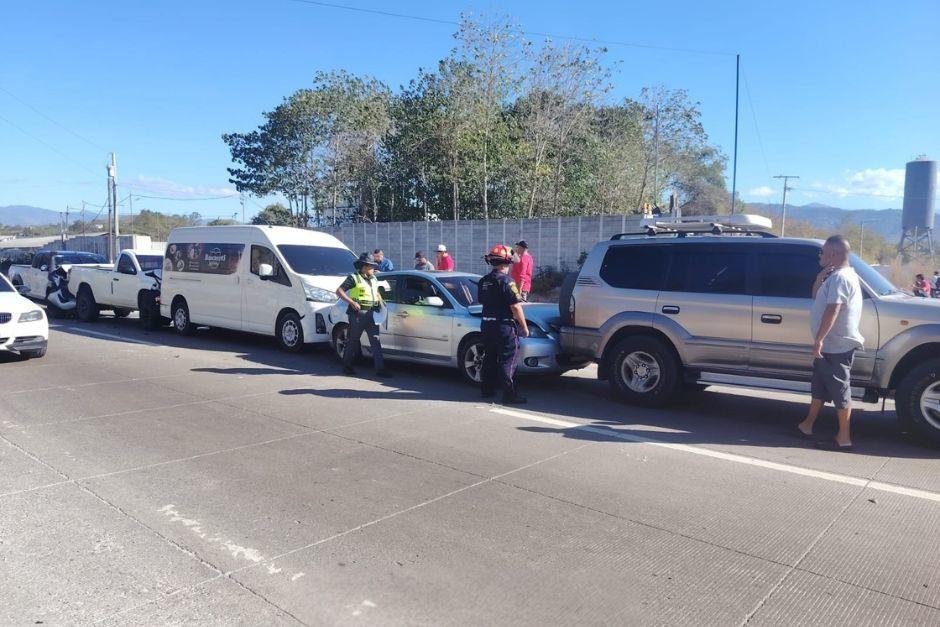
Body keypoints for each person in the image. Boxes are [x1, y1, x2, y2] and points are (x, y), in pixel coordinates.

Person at [797, 235, 864, 451]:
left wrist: (819, 340)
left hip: (835, 346)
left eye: (823, 252)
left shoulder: (841, 278)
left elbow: (832, 309)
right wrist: (819, 278)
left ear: (834, 254)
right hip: (830, 346)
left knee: (839, 389)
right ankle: (807, 425)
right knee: (820, 385)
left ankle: (843, 438)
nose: (820, 255)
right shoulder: (836, 276)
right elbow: (817, 297)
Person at [478, 244, 529, 404]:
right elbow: (515, 306)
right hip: (504, 327)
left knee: (489, 357)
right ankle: (509, 394)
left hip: (486, 325)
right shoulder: (507, 281)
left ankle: (487, 390)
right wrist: (524, 327)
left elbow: (482, 300)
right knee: (509, 359)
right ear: (506, 263)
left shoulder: (484, 281)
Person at [336, 252, 390, 378]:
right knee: (353, 341)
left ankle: (380, 370)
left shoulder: (374, 278)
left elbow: (376, 293)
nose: (373, 269)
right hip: (357, 314)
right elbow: (339, 291)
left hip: (372, 313)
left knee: (375, 341)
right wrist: (352, 302)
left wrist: (382, 305)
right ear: (365, 266)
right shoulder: (354, 277)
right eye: (371, 266)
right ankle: (347, 366)